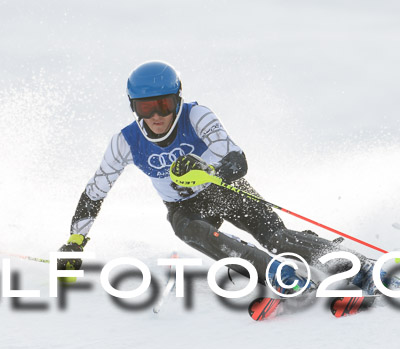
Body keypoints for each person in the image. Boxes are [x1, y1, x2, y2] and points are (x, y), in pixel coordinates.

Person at [57, 60, 383, 295]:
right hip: (186, 208)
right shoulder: (125, 142)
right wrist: (75, 242)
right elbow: (95, 191)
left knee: (278, 239)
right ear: (133, 107)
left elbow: (236, 159)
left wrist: (207, 170)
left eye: (164, 104)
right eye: (145, 108)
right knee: (184, 226)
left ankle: (358, 266)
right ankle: (272, 273)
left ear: (177, 100)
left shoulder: (197, 115)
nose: (156, 116)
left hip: (224, 189)